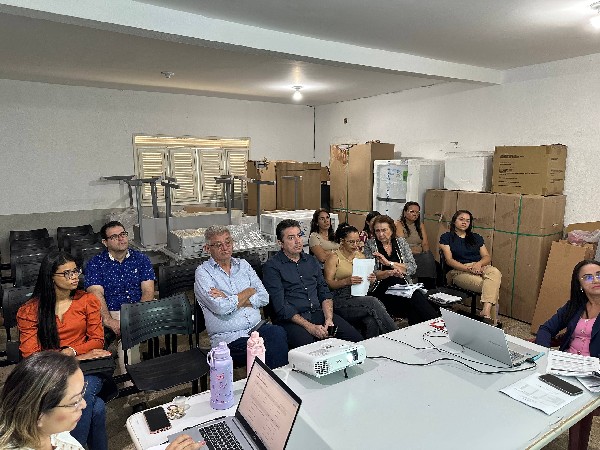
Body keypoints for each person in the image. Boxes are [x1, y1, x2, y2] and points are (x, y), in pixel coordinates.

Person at [0, 352, 203, 450]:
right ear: (38, 414)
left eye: (82, 395)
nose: (83, 404)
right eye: (74, 401)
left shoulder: (51, 434)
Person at [17, 251, 111, 450]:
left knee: (83, 393)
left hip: (87, 368)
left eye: (75, 271)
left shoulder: (87, 301)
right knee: (97, 408)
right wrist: (72, 356)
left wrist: (73, 352)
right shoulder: (31, 310)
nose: (74, 277)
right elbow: (31, 356)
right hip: (50, 374)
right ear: (51, 277)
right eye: (67, 273)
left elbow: (97, 341)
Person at [194, 225, 288, 369]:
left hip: (256, 328)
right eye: (218, 245)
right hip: (228, 338)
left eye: (228, 242)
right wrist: (249, 291)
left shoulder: (243, 265)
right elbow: (220, 307)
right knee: (262, 349)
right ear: (207, 248)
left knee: (278, 333)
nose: (225, 248)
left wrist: (228, 297)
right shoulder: (203, 272)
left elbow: (264, 298)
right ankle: (267, 381)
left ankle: (274, 380)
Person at [262, 219, 362, 349]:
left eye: (299, 235)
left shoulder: (310, 261)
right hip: (293, 319)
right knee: (314, 350)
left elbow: (324, 292)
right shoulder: (272, 267)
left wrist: (329, 319)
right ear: (280, 243)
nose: (298, 241)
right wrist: (310, 327)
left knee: (357, 341)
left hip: (318, 313)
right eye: (291, 238)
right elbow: (281, 306)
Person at [84, 220, 156, 382]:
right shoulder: (96, 263)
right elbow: (95, 294)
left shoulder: (141, 259)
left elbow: (148, 291)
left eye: (123, 234)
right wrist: (108, 319)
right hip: (111, 310)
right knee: (128, 339)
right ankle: (133, 385)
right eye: (114, 236)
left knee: (128, 335)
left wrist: (136, 314)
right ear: (105, 242)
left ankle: (132, 380)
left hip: (138, 308)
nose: (121, 238)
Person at [323, 224, 397, 338]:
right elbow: (328, 284)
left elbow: (366, 283)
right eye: (351, 242)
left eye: (357, 241)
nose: (355, 245)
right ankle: (395, 335)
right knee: (373, 302)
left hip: (358, 295)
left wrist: (371, 280)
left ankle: (372, 346)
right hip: (339, 298)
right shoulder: (334, 258)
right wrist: (345, 281)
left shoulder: (360, 256)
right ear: (342, 241)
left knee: (371, 320)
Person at [364, 215, 439, 325]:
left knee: (415, 305)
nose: (381, 234)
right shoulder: (370, 245)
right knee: (416, 297)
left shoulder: (401, 242)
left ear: (391, 229)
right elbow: (373, 274)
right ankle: (438, 325)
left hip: (402, 286)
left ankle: (429, 328)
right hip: (382, 288)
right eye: (377, 231)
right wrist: (389, 272)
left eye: (384, 230)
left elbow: (412, 267)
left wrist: (390, 263)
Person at [439, 210, 501, 323]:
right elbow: (449, 260)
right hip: (458, 271)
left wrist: (478, 264)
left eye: (467, 221)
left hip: (478, 267)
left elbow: (487, 257)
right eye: (461, 219)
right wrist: (469, 269)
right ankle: (491, 323)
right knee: (492, 285)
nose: (464, 222)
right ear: (454, 221)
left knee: (495, 272)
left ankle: (486, 311)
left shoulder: (476, 237)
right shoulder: (446, 237)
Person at [536, 259, 600, 356]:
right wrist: (544, 354)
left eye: (599, 275)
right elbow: (546, 329)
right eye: (588, 277)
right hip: (566, 360)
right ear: (579, 284)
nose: (596, 280)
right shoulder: (574, 305)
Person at [395, 202, 437, 288]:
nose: (415, 214)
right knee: (425, 260)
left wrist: (425, 254)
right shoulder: (398, 224)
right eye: (412, 211)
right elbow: (401, 244)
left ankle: (428, 289)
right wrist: (415, 252)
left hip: (420, 254)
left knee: (430, 259)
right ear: (405, 212)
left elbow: (425, 243)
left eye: (417, 212)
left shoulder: (420, 225)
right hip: (406, 254)